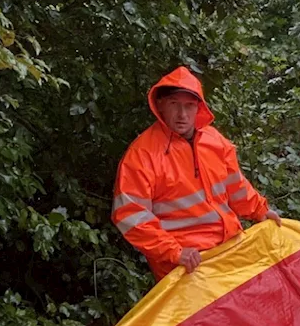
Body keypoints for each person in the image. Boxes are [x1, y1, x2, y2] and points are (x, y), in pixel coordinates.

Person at [112, 67, 281, 279]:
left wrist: (260, 211)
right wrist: (175, 252)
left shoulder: (215, 141)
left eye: (189, 106)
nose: (182, 114)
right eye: (175, 105)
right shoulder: (142, 155)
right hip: (186, 266)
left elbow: (236, 186)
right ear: (161, 105)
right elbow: (130, 216)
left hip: (229, 251)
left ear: (198, 108)